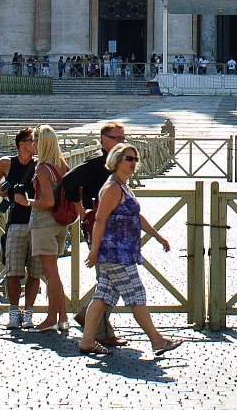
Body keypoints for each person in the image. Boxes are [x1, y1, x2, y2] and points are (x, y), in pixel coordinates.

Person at [77, 142, 181, 356]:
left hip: (123, 251)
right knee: (136, 294)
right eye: (129, 159)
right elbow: (100, 220)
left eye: (135, 159)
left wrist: (158, 236)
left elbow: (136, 216)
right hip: (115, 252)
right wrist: (94, 251)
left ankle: (87, 341)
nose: (134, 163)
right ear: (116, 161)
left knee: (103, 295)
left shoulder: (123, 186)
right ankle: (157, 340)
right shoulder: (112, 188)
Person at [63, 121, 130, 346]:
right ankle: (100, 331)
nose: (121, 142)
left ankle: (88, 316)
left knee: (112, 279)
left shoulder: (116, 162)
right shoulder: (98, 162)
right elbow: (69, 181)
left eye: (123, 138)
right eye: (116, 138)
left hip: (115, 229)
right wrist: (80, 209)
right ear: (103, 139)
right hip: (100, 229)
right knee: (110, 279)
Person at [0, 128, 42, 330]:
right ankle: (13, 311)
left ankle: (29, 312)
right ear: (22, 144)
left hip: (38, 221)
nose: (36, 143)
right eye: (33, 140)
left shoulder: (41, 164)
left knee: (35, 271)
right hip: (16, 221)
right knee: (13, 270)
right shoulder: (5, 163)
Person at [27, 125, 73, 331]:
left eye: (35, 141)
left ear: (41, 143)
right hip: (60, 223)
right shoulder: (62, 165)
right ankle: (63, 317)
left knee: (50, 274)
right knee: (54, 273)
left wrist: (27, 202)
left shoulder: (42, 169)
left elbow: (47, 201)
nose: (33, 144)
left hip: (44, 223)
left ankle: (51, 318)